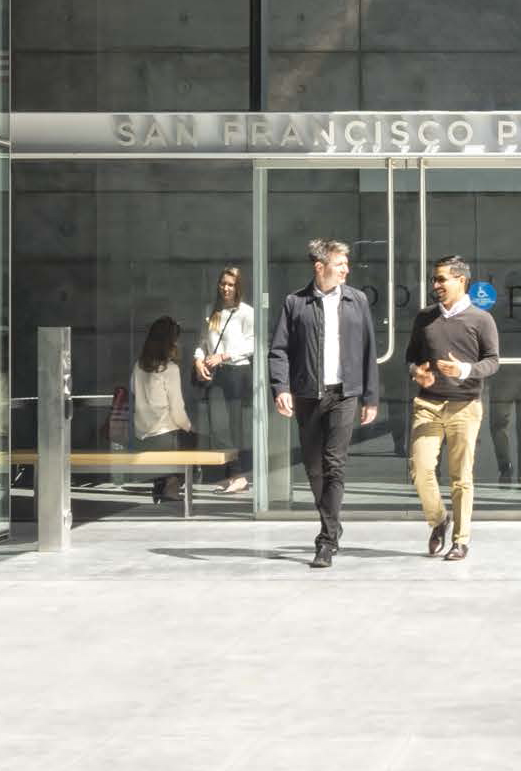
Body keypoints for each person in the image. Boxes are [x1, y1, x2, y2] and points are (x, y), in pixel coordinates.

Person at [269, 235, 377, 567]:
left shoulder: (356, 300)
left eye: (346, 264)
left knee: (335, 463)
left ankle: (326, 540)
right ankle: (333, 522)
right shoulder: (295, 302)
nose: (346, 269)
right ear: (320, 267)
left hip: (344, 393)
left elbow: (369, 349)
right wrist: (280, 388)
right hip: (307, 394)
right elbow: (279, 350)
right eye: (339, 264)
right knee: (314, 467)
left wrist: (370, 396)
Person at [402, 254, 501, 563]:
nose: (436, 285)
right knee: (420, 468)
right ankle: (438, 520)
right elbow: (410, 357)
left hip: (464, 406)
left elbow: (493, 361)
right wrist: (416, 372)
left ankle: (461, 540)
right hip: (427, 404)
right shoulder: (424, 318)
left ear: (462, 280)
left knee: (461, 476)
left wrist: (464, 370)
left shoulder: (481, 319)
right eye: (435, 279)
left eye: (442, 279)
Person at [192, 265, 257, 497]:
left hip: (236, 372)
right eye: (223, 283)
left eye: (230, 284)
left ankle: (239, 475)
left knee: (235, 425)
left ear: (238, 287)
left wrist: (224, 355)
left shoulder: (247, 313)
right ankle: (227, 474)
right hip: (213, 373)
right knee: (215, 424)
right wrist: (199, 361)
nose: (226, 288)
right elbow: (203, 341)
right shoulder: (213, 311)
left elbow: (253, 344)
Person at [127, 315, 195, 509]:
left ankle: (162, 481)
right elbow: (177, 410)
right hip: (165, 436)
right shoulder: (170, 369)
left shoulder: (138, 366)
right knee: (193, 439)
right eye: (176, 340)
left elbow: (133, 391)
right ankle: (171, 484)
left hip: (142, 436)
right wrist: (190, 427)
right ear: (170, 342)